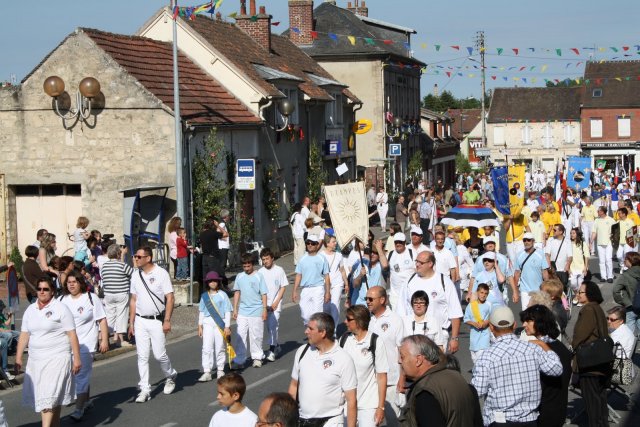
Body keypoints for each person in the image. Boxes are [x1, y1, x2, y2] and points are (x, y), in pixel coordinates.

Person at [471, 306, 563, 426]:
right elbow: (556, 368)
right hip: (529, 420)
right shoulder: (533, 349)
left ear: (491, 327)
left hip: (500, 420)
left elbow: (476, 391)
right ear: (514, 325)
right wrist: (544, 346)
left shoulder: (486, 357)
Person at [15, 276, 82, 426]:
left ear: (52, 291)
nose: (42, 292)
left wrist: (77, 358)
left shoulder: (60, 308)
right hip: (36, 360)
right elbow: (25, 334)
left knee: (49, 396)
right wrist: (18, 357)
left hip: (57, 358)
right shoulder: (30, 310)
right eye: (39, 289)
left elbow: (72, 334)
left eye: (46, 289)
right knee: (49, 397)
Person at [289, 312, 357, 427]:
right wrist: (289, 417)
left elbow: (351, 400)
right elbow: (294, 385)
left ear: (323, 332)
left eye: (310, 329)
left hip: (331, 421)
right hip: (303, 420)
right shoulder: (302, 352)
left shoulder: (343, 359)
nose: (306, 332)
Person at [128, 246, 178, 403]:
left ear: (148, 258)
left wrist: (167, 320)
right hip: (140, 320)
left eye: (138, 256)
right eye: (135, 256)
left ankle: (170, 375)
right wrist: (131, 322)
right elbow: (133, 300)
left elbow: (170, 298)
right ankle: (145, 389)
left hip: (157, 320)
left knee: (159, 354)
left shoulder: (161, 274)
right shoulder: (135, 275)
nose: (135, 259)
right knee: (142, 356)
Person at [59, 270, 109, 421]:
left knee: (81, 375)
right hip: (66, 345)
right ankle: (86, 401)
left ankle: (78, 410)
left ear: (80, 283)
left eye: (74, 282)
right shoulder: (61, 300)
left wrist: (104, 339)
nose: (71, 285)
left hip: (86, 344)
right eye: (69, 282)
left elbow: (102, 320)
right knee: (75, 376)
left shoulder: (91, 298)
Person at [398, 335, 477, 427]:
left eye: (402, 357)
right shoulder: (458, 378)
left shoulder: (425, 392)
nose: (399, 361)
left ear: (418, 360)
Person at [396, 252, 463, 355]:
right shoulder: (409, 282)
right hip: (413, 335)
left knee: (435, 369)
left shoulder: (444, 282)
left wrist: (454, 338)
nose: (417, 264)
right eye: (416, 261)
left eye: (421, 262)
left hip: (437, 336)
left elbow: (455, 312)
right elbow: (401, 311)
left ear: (430, 263)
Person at [520, 305, 572, 427]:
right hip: (558, 409)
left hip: (545, 412)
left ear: (540, 322)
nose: (524, 325)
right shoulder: (559, 345)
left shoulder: (542, 350)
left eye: (528, 321)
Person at [572, 281, 612, 426]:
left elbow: (580, 335)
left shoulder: (588, 310)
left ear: (589, 294)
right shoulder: (597, 308)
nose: (578, 294)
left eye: (580, 292)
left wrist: (573, 346)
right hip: (600, 362)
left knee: (592, 405)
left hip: (590, 364)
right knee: (600, 402)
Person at [341, 305, 389, 427]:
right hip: (346, 404)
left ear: (359, 321)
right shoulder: (344, 339)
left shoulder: (375, 341)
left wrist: (381, 407)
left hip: (369, 404)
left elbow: (382, 376)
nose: (345, 322)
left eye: (348, 319)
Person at [366, 286, 404, 423]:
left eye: (371, 299)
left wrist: (402, 378)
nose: (367, 301)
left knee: (393, 421)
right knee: (372, 421)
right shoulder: (367, 320)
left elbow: (402, 351)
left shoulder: (395, 320)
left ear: (382, 300)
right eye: (366, 299)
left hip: (391, 381)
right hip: (371, 382)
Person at [232, 253, 268, 369]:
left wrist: (264, 309)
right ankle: (240, 360)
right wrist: (235, 308)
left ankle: (257, 357)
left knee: (256, 335)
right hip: (243, 311)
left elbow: (264, 294)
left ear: (252, 264)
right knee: (240, 336)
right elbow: (237, 292)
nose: (246, 269)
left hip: (256, 310)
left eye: (248, 266)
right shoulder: (240, 276)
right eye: (244, 266)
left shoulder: (259, 276)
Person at [198, 271, 232, 382]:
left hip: (220, 323)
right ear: (207, 283)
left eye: (214, 281)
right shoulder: (204, 296)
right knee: (206, 347)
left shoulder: (223, 295)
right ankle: (207, 371)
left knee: (220, 346)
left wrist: (227, 326)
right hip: (207, 323)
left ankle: (220, 369)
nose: (212, 283)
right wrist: (200, 325)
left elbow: (227, 311)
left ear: (218, 282)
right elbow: (201, 312)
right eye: (210, 281)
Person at [292, 234, 330, 326]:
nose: (310, 245)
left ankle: (317, 336)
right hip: (305, 289)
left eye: (312, 243)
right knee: (305, 315)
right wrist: (294, 291)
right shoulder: (302, 259)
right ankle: (312, 331)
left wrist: (327, 292)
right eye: (308, 243)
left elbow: (327, 276)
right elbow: (298, 275)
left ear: (317, 245)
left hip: (318, 288)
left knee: (317, 315)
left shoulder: (322, 258)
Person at [101, 243, 133, 348]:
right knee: (121, 316)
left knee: (109, 317)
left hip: (108, 294)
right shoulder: (122, 265)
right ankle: (121, 340)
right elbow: (132, 273)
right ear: (119, 254)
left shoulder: (104, 266)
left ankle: (103, 338)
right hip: (121, 293)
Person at [259, 248, 288, 362]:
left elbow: (283, 286)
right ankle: (276, 346)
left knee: (273, 325)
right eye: (263, 259)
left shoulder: (279, 270)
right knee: (268, 327)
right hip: (265, 304)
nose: (265, 261)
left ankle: (271, 350)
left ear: (272, 258)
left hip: (276, 304)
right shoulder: (260, 272)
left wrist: (276, 302)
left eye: (267, 259)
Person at [375, 235, 415, 310]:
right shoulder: (391, 254)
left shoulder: (412, 253)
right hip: (395, 296)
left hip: (410, 293)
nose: (398, 244)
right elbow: (384, 265)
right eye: (396, 242)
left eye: (401, 242)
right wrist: (379, 249)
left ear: (405, 242)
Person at [514, 232, 549, 309]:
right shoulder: (519, 255)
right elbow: (516, 274)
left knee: (537, 314)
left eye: (529, 240)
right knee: (526, 313)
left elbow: (545, 272)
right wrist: (515, 291)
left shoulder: (540, 254)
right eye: (524, 240)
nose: (526, 242)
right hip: (524, 290)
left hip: (538, 290)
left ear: (533, 241)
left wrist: (546, 288)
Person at [321, 235, 349, 329]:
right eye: (333, 242)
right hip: (325, 284)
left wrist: (346, 283)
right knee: (326, 308)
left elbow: (342, 270)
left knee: (335, 306)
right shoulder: (321, 256)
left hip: (337, 283)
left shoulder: (339, 255)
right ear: (327, 243)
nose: (335, 243)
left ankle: (334, 331)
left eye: (335, 241)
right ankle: (327, 327)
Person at [463, 283, 493, 362]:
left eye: (486, 293)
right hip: (474, 338)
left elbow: (493, 317)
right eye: (481, 292)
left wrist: (486, 322)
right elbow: (466, 319)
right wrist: (474, 324)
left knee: (482, 360)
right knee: (475, 361)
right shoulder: (471, 305)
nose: (483, 295)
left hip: (485, 336)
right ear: (477, 292)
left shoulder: (489, 305)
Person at [612, 251, 640, 332]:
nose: (624, 261)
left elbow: (615, 290)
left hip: (631, 306)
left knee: (629, 333)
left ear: (631, 261)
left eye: (626, 259)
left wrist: (624, 302)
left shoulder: (626, 275)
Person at [199, 217, 230, 289]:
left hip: (204, 257)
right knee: (214, 277)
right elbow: (226, 234)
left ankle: (205, 295)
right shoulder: (213, 233)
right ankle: (215, 294)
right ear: (213, 225)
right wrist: (218, 226)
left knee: (205, 277)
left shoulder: (202, 234)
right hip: (213, 258)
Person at [592, 206, 615, 282]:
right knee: (601, 261)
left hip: (609, 242)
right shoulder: (596, 221)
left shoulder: (611, 220)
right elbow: (594, 232)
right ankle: (603, 277)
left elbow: (615, 231)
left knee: (608, 259)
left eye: (598, 211)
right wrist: (591, 242)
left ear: (602, 212)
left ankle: (610, 276)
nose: (597, 213)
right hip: (599, 243)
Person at [545, 223, 572, 289]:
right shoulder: (550, 240)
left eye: (555, 230)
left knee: (563, 288)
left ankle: (564, 300)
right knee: (554, 289)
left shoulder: (567, 241)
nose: (553, 231)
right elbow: (547, 254)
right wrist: (549, 267)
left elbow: (570, 256)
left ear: (561, 232)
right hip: (553, 269)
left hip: (563, 270)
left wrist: (567, 265)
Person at [569, 228, 590, 305]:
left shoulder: (582, 243)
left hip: (581, 267)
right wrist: (568, 268)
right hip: (572, 267)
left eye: (573, 233)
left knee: (580, 284)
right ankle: (577, 295)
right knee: (573, 284)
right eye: (571, 233)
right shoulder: (569, 244)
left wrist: (585, 267)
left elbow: (587, 256)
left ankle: (579, 298)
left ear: (577, 234)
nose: (572, 235)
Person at [615, 208, 635, 272]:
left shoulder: (630, 222)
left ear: (624, 214)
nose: (618, 215)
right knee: (618, 255)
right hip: (620, 242)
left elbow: (634, 232)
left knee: (626, 255)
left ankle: (626, 268)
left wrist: (633, 242)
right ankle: (622, 265)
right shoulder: (618, 222)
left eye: (620, 213)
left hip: (627, 242)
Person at [218, 209, 231, 274]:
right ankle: (221, 278)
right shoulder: (222, 224)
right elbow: (217, 232)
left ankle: (222, 277)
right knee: (222, 264)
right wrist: (223, 238)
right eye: (228, 215)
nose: (229, 217)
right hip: (222, 246)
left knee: (223, 263)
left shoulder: (223, 223)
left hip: (223, 246)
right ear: (226, 216)